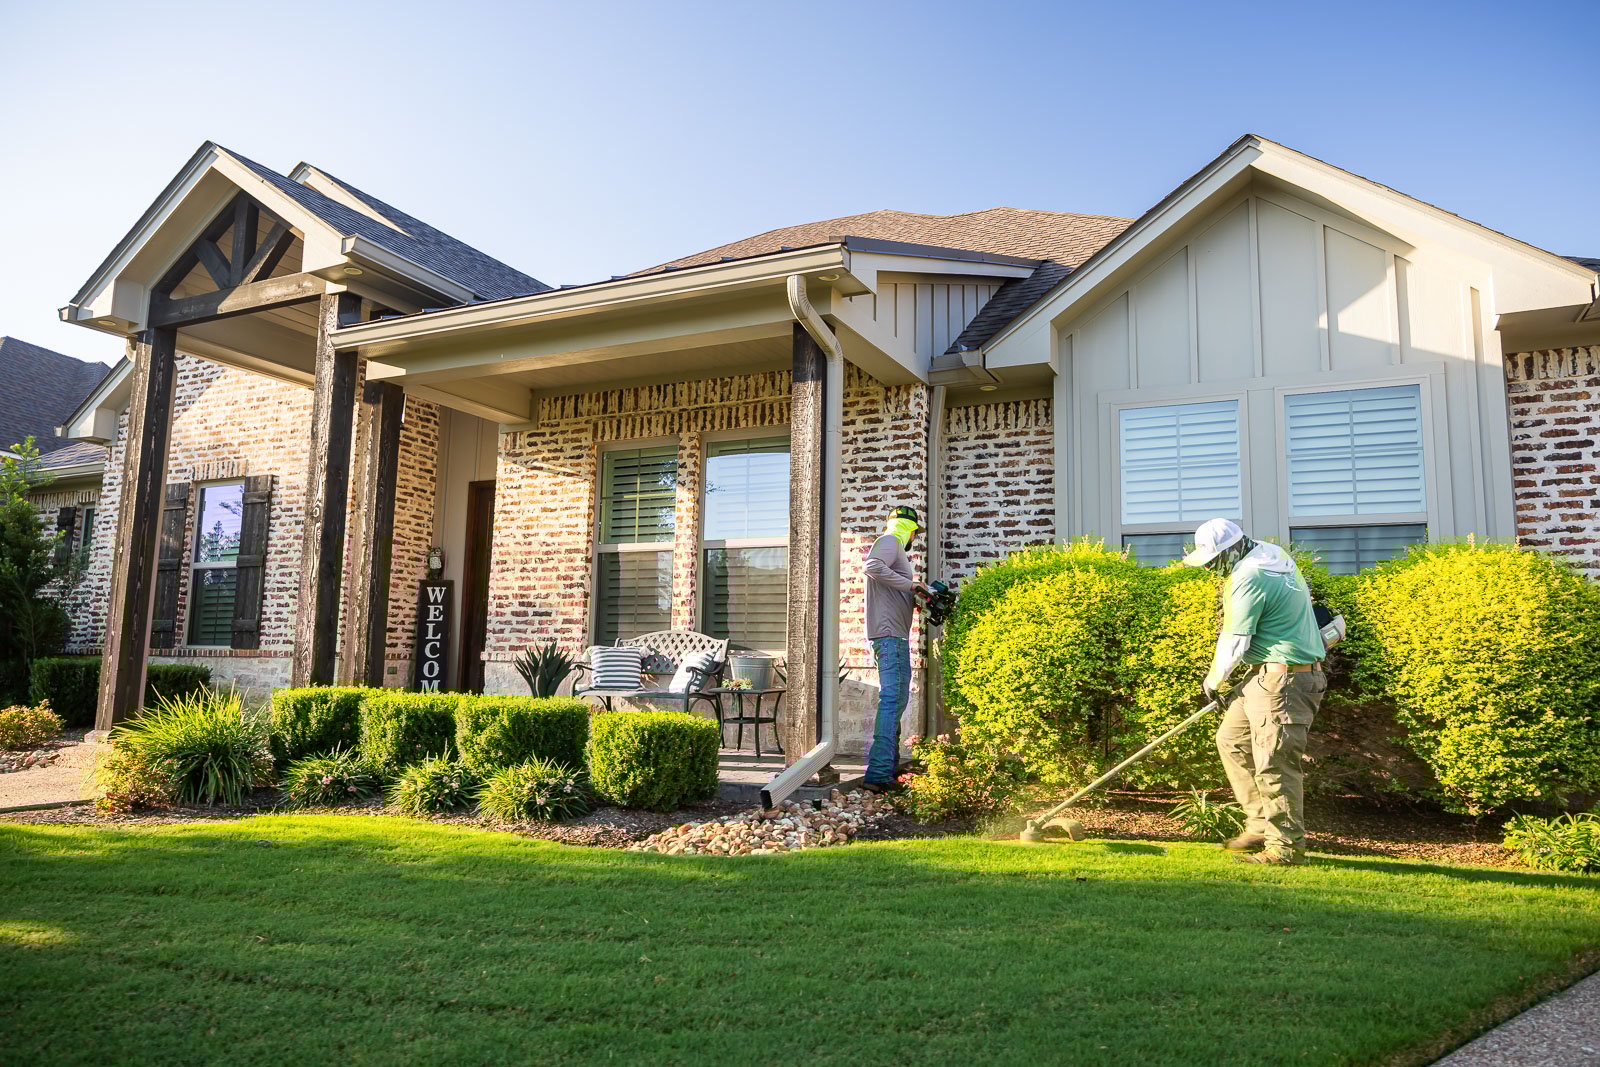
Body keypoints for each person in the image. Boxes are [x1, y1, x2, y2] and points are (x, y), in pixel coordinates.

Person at [1182, 518, 1328, 865]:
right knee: (1231, 740)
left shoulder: (1248, 576)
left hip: (1283, 682)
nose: (1213, 569)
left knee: (1275, 765)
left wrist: (1214, 680)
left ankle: (1285, 850)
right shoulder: (1273, 555)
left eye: (1215, 559)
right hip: (1263, 677)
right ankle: (1261, 824)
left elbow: (1236, 638)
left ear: (1233, 549)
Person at [861, 505, 928, 792]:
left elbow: (890, 587)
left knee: (895, 700)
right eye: (915, 531)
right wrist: (911, 586)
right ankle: (878, 774)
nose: (915, 536)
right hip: (890, 638)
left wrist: (917, 594)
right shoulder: (890, 542)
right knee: (892, 701)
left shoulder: (895, 548)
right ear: (909, 529)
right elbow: (872, 567)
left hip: (891, 636)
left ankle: (888, 766)